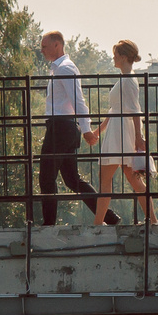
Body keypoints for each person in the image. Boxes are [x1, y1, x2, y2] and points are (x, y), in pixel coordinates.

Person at [88, 39, 152, 228]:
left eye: (115, 55)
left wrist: (138, 138)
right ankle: (152, 220)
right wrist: (98, 131)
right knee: (129, 178)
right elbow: (115, 109)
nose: (113, 58)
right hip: (118, 132)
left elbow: (135, 110)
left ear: (123, 57)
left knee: (112, 179)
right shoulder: (126, 79)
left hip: (122, 133)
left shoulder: (128, 80)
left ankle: (98, 223)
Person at [37, 30, 98, 226]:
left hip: (61, 128)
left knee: (47, 177)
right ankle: (107, 216)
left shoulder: (64, 69)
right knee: (72, 180)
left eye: (44, 46)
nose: (42, 50)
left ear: (57, 45)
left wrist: (86, 128)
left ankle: (48, 225)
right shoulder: (59, 69)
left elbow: (78, 100)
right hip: (62, 127)